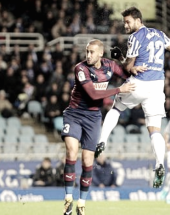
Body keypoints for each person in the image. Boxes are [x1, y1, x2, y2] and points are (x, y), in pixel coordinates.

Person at [95, 7, 170, 189]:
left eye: (128, 21)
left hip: (139, 84)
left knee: (116, 108)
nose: (125, 25)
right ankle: (160, 164)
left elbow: (129, 68)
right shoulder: (159, 33)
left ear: (138, 20)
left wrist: (121, 58)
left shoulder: (135, 37)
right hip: (157, 86)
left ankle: (102, 141)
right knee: (155, 130)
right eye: (124, 22)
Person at [61, 39, 141, 215]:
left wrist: (122, 60)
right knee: (71, 151)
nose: (88, 55)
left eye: (91, 52)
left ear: (100, 54)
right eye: (87, 51)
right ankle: (68, 200)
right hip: (74, 115)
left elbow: (128, 74)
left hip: (93, 118)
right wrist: (119, 90)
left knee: (88, 161)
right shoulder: (80, 69)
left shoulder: (110, 66)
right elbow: (93, 93)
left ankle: (81, 204)